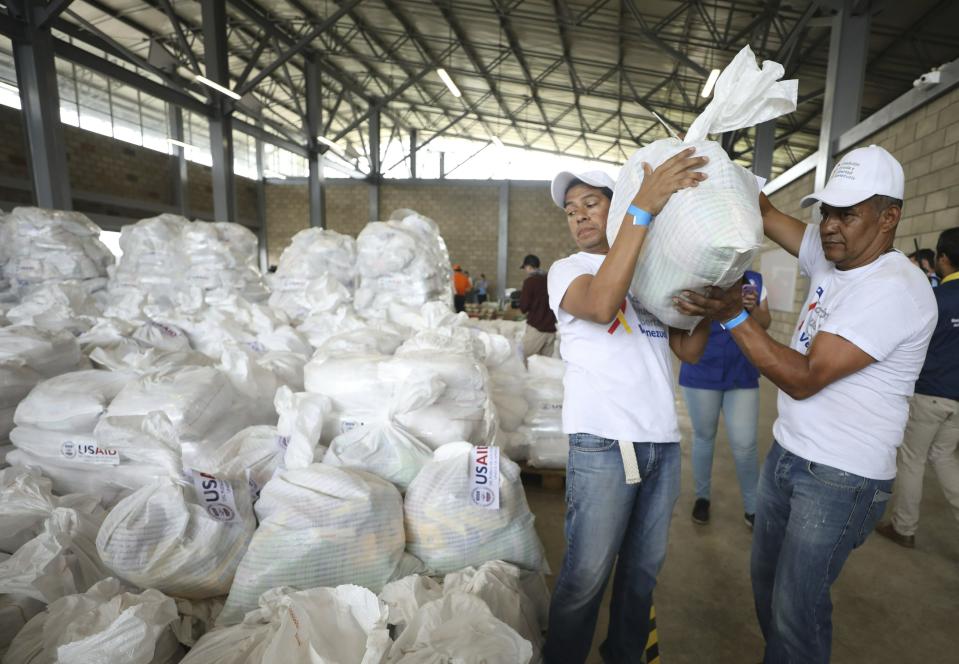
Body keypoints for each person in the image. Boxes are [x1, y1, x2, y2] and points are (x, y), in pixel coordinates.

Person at [675, 144, 938, 664]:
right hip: (791, 454)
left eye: (848, 213)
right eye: (826, 211)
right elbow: (767, 212)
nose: (830, 225)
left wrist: (732, 316)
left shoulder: (891, 289)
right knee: (769, 586)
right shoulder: (836, 256)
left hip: (841, 477)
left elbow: (804, 377)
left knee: (797, 611)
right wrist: (720, 163)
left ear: (889, 218)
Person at [543, 156, 711, 664]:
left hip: (661, 440)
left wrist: (714, 304)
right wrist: (645, 206)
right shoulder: (568, 271)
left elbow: (688, 349)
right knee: (586, 576)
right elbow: (599, 305)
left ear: (614, 209)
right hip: (604, 444)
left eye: (591, 203)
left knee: (641, 576)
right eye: (572, 210)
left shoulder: (651, 270)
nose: (579, 216)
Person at [877, 226, 959, 547]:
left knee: (912, 460)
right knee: (945, 457)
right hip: (957, 402)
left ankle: (904, 528)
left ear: (943, 258)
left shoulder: (935, 299)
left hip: (929, 394)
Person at [680, 271, 771, 528]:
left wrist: (752, 310)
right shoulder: (696, 276)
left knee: (745, 445)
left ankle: (753, 507)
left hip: (742, 373)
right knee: (704, 437)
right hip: (702, 369)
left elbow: (766, 322)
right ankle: (702, 497)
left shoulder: (753, 281)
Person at [519, 254, 557, 358]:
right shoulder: (551, 279)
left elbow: (524, 307)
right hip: (551, 330)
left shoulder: (530, 282)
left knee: (522, 358)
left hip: (537, 328)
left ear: (528, 266)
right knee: (544, 366)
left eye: (525, 268)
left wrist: (519, 300)